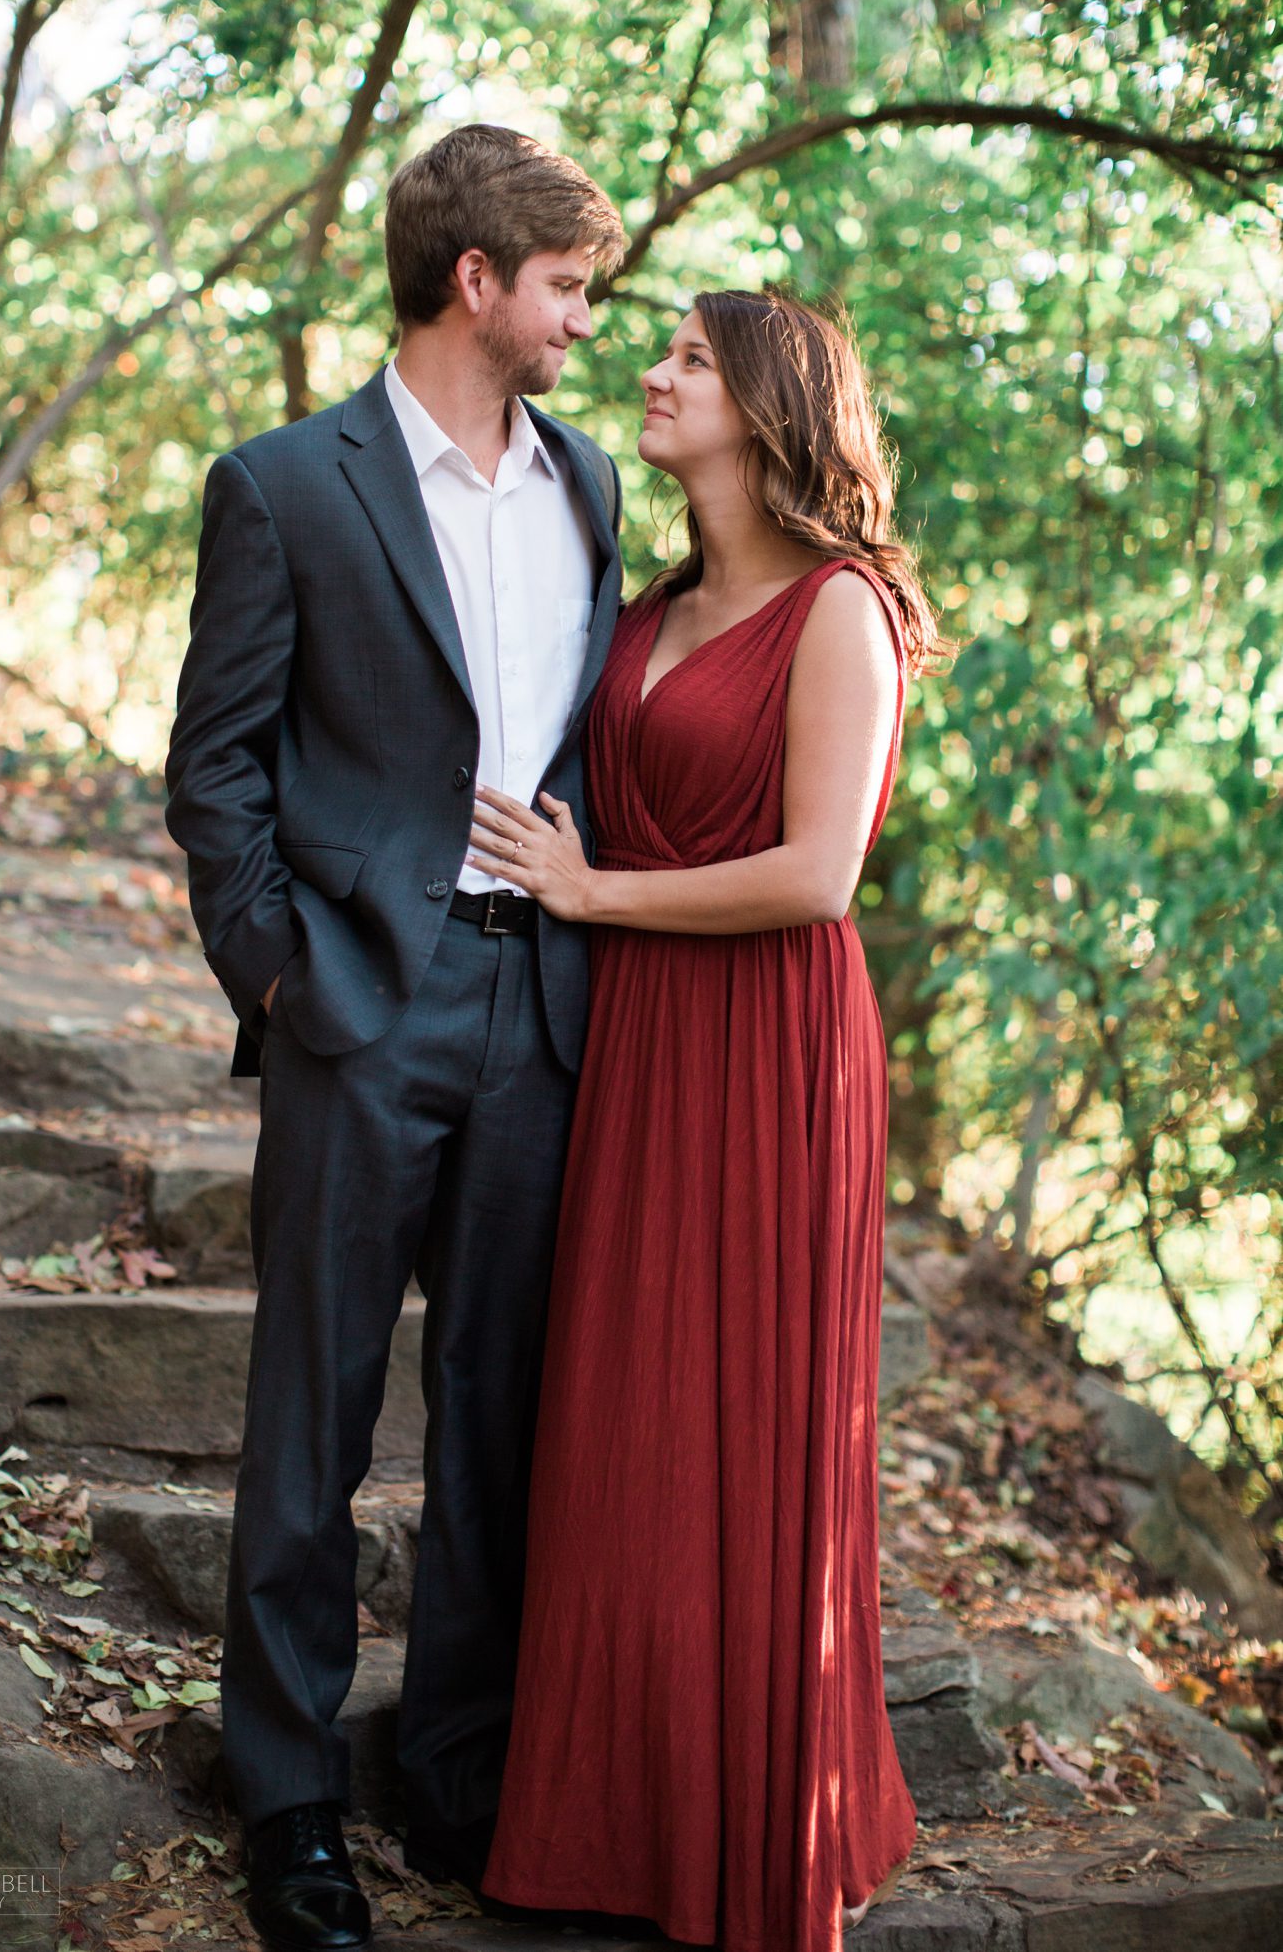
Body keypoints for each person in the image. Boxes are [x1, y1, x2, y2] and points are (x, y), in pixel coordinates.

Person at [163, 123, 626, 1952]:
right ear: (477, 285)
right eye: (571, 289)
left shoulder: (588, 484)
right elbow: (216, 777)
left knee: (500, 1421)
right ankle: (286, 1804)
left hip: (543, 1007)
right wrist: (287, 976)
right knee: (315, 1415)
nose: (588, 322)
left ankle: (455, 1774)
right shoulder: (286, 483)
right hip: (363, 1004)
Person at [469, 287, 948, 1951]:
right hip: (642, 1041)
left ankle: (752, 1830)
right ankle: (614, 1822)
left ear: (764, 405)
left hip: (770, 1052)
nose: (652, 375)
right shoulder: (649, 593)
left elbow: (819, 874)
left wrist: (593, 889)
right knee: (629, 1432)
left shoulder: (842, 610)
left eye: (684, 357)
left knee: (742, 1430)